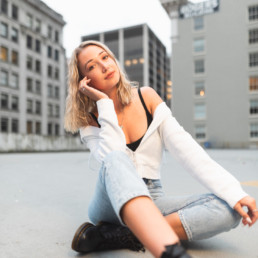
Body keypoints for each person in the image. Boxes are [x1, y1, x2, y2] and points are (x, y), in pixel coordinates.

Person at [64, 40, 258, 258]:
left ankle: (123, 235)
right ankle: (169, 251)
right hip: (110, 202)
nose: (104, 66)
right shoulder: (88, 120)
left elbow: (187, 149)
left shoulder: (146, 97)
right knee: (116, 158)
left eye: (105, 57)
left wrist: (235, 193)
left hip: (151, 196)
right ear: (84, 82)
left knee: (230, 209)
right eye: (91, 66)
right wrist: (103, 103)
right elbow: (112, 157)